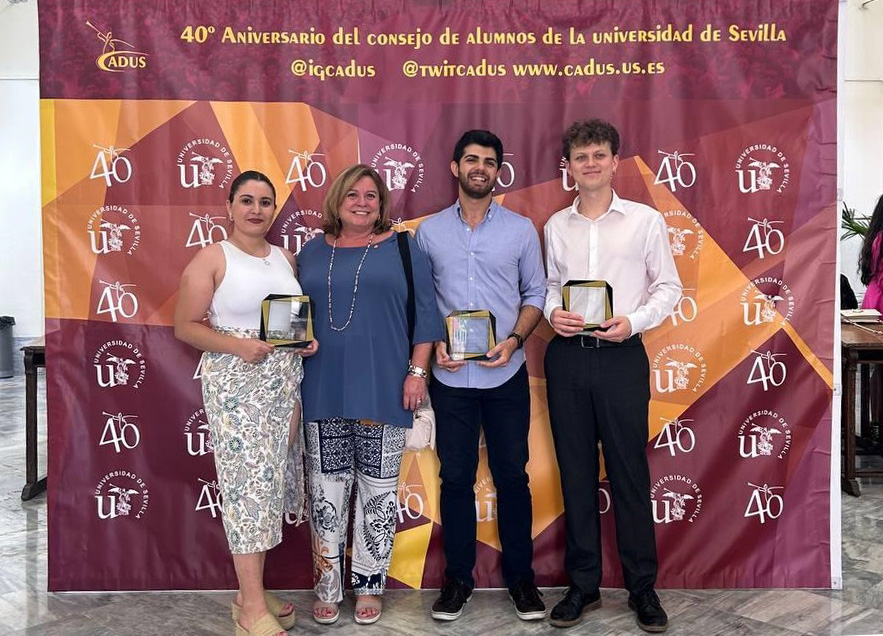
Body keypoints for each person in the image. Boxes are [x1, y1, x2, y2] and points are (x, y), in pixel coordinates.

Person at [543, 119, 682, 632]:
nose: (591, 164)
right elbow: (550, 286)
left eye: (599, 155)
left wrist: (634, 323)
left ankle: (643, 589)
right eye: (581, 157)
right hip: (567, 357)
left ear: (614, 161)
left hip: (623, 356)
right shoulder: (556, 226)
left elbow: (668, 289)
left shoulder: (645, 221)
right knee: (575, 474)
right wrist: (552, 311)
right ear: (570, 167)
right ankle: (583, 587)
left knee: (629, 473)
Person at [174, 170, 319, 636]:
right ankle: (251, 608)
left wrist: (303, 343)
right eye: (247, 200)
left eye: (264, 202)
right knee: (246, 493)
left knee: (270, 488)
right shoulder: (212, 259)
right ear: (230, 206)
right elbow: (186, 326)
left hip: (283, 386)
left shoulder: (285, 259)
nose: (256, 209)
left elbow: (290, 322)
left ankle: (249, 592)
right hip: (237, 389)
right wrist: (239, 347)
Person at [297, 164, 442, 626]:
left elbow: (426, 317)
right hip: (322, 385)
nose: (362, 202)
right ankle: (327, 584)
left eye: (372, 196)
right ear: (337, 200)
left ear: (382, 204)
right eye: (353, 194)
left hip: (385, 388)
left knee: (378, 496)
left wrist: (417, 372)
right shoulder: (310, 252)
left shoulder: (403, 247)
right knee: (327, 492)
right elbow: (292, 317)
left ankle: (370, 583)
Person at [415, 130, 547, 622]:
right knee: (455, 481)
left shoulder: (520, 229)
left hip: (505, 374)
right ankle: (458, 581)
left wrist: (513, 340)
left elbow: (535, 294)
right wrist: (435, 350)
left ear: (497, 171)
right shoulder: (429, 233)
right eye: (471, 160)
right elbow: (423, 304)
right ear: (455, 168)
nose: (480, 168)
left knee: (513, 477)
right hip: (450, 380)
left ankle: (522, 582)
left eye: (489, 162)